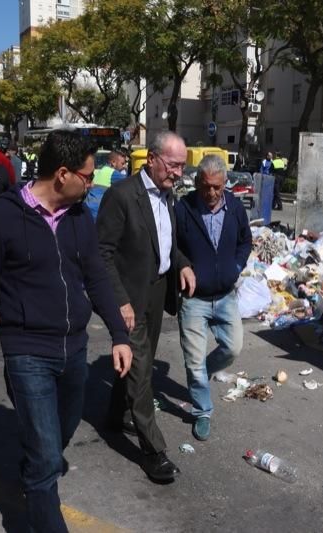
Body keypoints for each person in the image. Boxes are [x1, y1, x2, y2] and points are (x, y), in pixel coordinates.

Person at [0, 129, 132, 532]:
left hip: (73, 350)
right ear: (62, 174)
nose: (92, 184)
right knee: (44, 462)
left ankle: (37, 463)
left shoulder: (79, 218)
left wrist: (119, 336)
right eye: (87, 177)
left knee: (57, 441)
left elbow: (96, 278)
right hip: (27, 352)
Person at [97, 131, 196, 483]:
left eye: (183, 167)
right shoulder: (121, 196)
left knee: (142, 362)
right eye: (172, 165)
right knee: (142, 373)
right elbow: (102, 254)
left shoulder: (168, 196)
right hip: (130, 298)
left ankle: (113, 415)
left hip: (157, 292)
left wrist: (182, 263)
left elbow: (166, 243)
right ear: (152, 158)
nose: (178, 173)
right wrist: (119, 300)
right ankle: (154, 452)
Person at [174, 154, 251, 441]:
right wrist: (182, 264)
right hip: (194, 299)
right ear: (197, 183)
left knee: (233, 348)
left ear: (225, 184)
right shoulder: (184, 208)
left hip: (226, 295)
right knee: (193, 360)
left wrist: (236, 266)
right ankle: (202, 410)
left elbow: (246, 241)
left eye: (217, 187)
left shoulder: (234, 207)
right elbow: (171, 246)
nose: (212, 193)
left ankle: (200, 377)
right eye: (206, 187)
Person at [85, 151, 127, 220]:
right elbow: (129, 182)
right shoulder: (113, 173)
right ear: (113, 162)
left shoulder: (100, 170)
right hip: (98, 211)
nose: (124, 166)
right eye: (122, 163)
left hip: (88, 207)